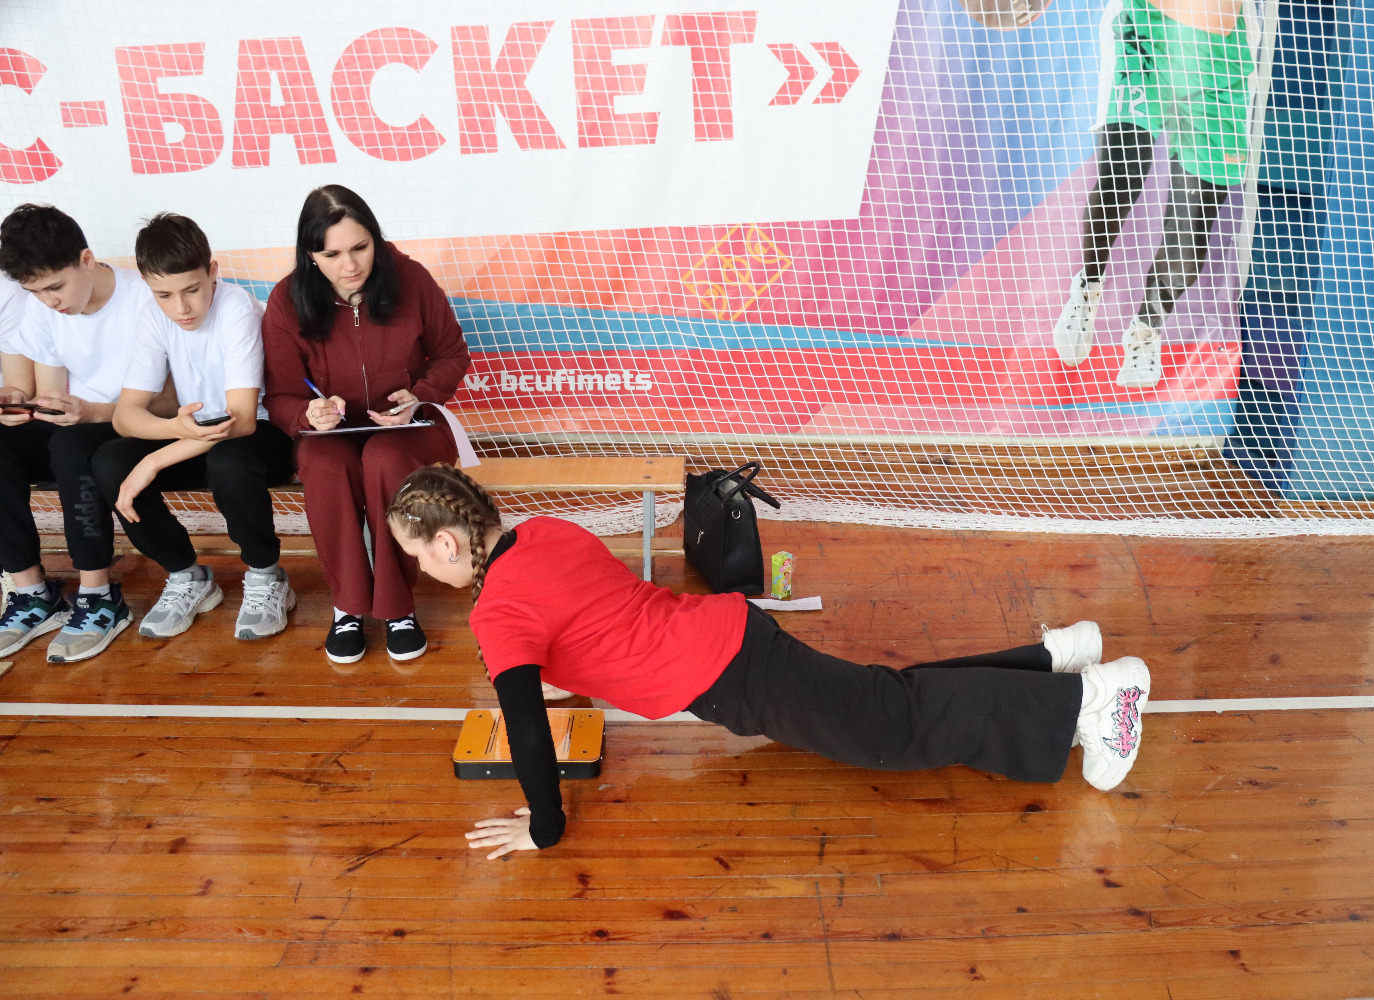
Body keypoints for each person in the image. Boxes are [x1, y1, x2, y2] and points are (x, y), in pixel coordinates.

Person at [385, 464, 1153, 858]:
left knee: (891, 730)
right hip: (726, 638)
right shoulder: (544, 533)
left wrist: (545, 827)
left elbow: (525, 730)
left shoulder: (497, 612)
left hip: (729, 673)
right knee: (885, 699)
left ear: (447, 542)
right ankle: (1053, 659)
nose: (420, 570)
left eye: (417, 556)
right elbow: (593, 620)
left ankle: (1096, 700)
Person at [261, 185, 471, 666]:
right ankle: (348, 606)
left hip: (412, 425)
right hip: (332, 434)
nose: (350, 265)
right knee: (325, 465)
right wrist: (308, 414)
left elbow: (451, 355)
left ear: (376, 238)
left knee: (386, 458)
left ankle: (398, 608)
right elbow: (281, 395)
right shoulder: (287, 300)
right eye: (331, 255)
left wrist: (420, 396)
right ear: (310, 255)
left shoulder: (411, 279)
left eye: (360, 247)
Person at [92, 213, 297, 641]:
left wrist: (154, 460)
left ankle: (267, 575)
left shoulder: (236, 307)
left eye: (192, 290)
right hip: (200, 436)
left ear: (213, 272)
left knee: (228, 462)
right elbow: (126, 415)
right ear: (148, 286)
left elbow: (240, 418)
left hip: (261, 436)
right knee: (111, 461)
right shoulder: (154, 316)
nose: (180, 308)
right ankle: (188, 576)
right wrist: (177, 430)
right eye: (164, 294)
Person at [1053, 0, 1254, 388]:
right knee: (1121, 172)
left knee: (1190, 241)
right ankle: (1088, 287)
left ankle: (1145, 330)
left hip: (1220, 56)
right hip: (1146, 30)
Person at [0, 204, 158, 662]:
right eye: (34, 291)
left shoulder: (145, 298)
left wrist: (92, 412)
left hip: (136, 421)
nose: (49, 301)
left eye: (55, 286)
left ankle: (98, 596)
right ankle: (31, 593)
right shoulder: (43, 310)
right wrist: (20, 405)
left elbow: (169, 400)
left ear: (86, 259)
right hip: (80, 421)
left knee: (71, 446)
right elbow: (51, 395)